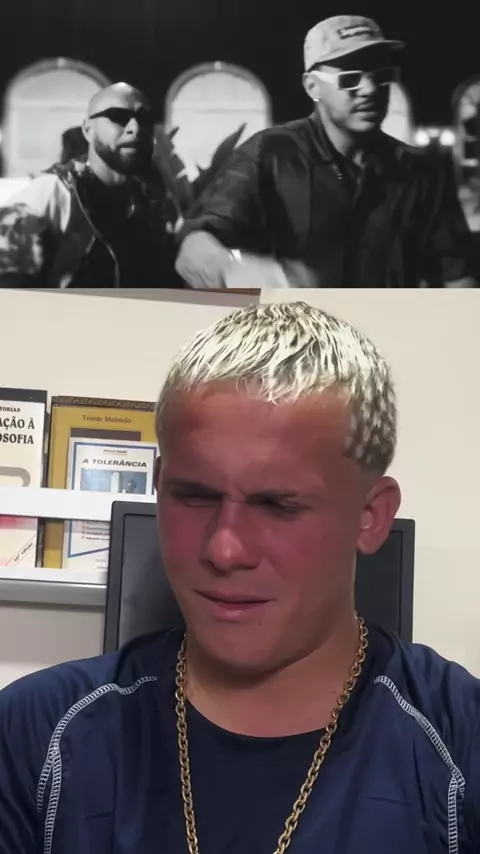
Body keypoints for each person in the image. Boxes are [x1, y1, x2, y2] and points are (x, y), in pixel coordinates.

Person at [1, 301, 479, 854]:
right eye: (194, 496)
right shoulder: (39, 737)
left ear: (370, 516)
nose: (224, 549)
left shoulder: (459, 746)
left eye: (278, 505)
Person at [176, 15, 477, 289]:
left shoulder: (420, 171)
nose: (370, 89)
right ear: (312, 86)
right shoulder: (270, 155)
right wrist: (240, 271)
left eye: (382, 76)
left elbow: (457, 276)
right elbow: (194, 247)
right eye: (350, 79)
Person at [0, 83, 184, 288]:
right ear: (88, 130)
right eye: (118, 117)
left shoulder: (153, 200)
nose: (135, 128)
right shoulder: (51, 194)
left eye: (144, 118)